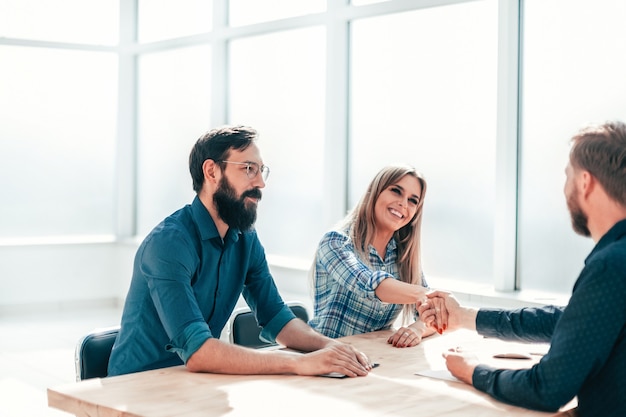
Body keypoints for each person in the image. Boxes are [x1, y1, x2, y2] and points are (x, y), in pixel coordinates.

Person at [108, 125, 373, 378]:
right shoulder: (168, 244)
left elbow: (277, 317)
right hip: (137, 388)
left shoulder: (246, 239)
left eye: (261, 171)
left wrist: (331, 348)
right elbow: (199, 351)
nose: (260, 183)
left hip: (194, 382)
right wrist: (299, 363)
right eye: (248, 169)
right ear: (211, 172)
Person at [418, 121, 626, 417]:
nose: (564, 189)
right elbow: (569, 322)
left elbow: (547, 388)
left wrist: (473, 371)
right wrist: (464, 317)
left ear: (585, 182)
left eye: (566, 176)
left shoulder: (611, 265)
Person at [308, 164, 436, 348]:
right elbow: (368, 284)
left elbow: (430, 316)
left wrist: (417, 329)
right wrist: (426, 295)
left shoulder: (402, 257)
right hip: (325, 357)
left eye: (413, 200)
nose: (403, 204)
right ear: (375, 192)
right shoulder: (335, 242)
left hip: (373, 359)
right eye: (396, 191)